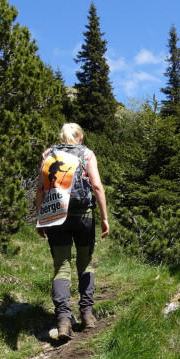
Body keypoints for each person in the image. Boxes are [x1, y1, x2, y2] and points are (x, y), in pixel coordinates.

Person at [35, 123, 110, 340]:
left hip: (56, 217)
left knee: (61, 268)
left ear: (62, 137)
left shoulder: (48, 154)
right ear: (80, 137)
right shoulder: (86, 153)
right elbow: (96, 186)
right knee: (85, 263)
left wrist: (41, 220)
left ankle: (63, 322)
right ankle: (87, 314)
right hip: (83, 216)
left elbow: (41, 188)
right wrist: (104, 217)